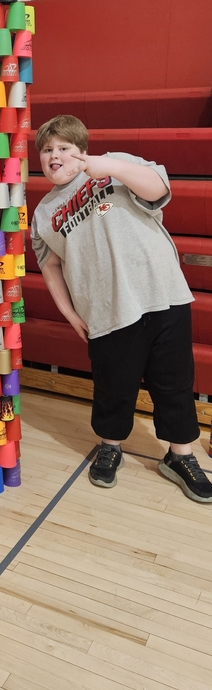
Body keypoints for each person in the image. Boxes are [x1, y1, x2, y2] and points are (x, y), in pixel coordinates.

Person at [31, 114, 212, 503]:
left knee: (174, 381)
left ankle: (180, 455)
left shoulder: (117, 166)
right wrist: (69, 313)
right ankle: (110, 446)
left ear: (81, 149)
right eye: (47, 150)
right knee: (114, 385)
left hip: (162, 293)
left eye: (63, 147)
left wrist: (109, 165)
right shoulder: (43, 213)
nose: (54, 156)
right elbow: (50, 267)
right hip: (106, 309)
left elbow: (159, 187)